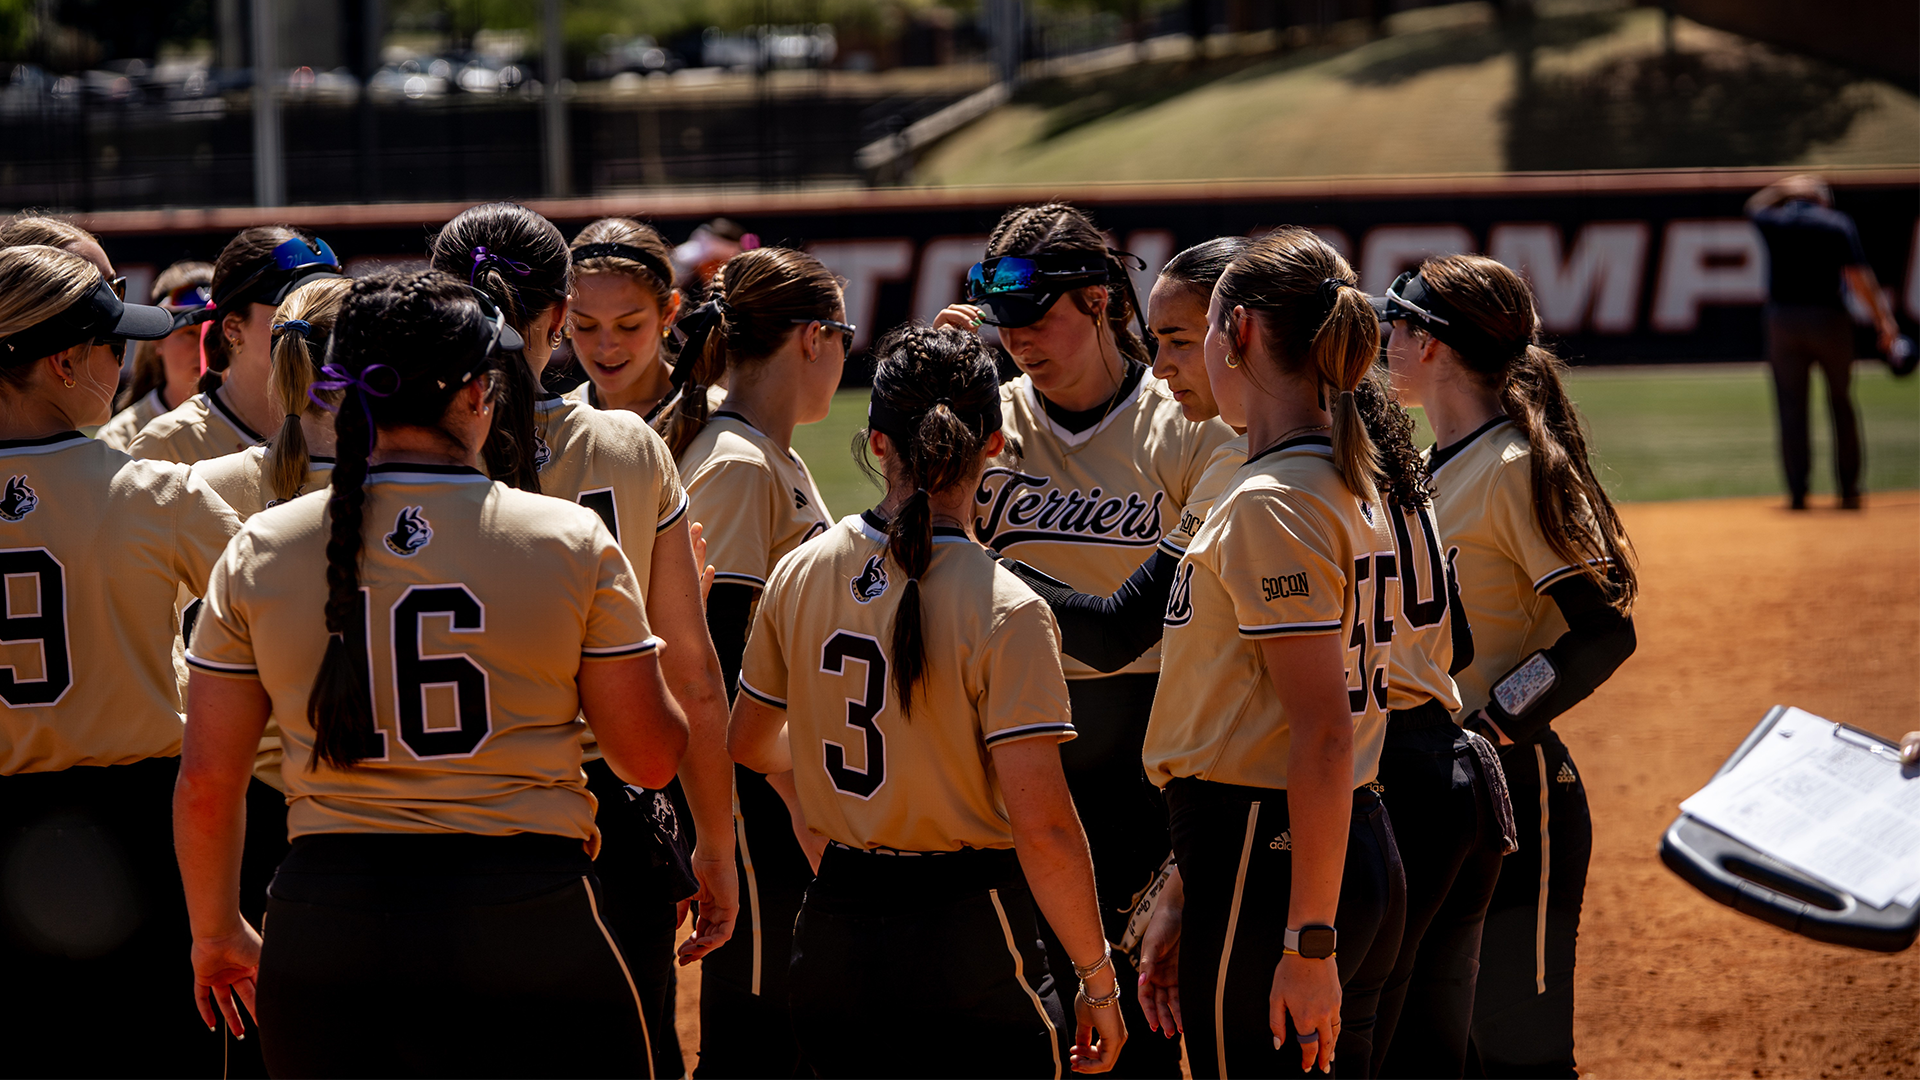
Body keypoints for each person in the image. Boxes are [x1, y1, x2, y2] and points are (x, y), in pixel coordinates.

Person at [176, 268, 691, 1076]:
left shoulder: (261, 546)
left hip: (326, 925)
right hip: (523, 920)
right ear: (482, 393)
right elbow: (650, 758)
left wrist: (215, 931)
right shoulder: (569, 539)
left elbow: (209, 779)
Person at [729, 324, 1128, 1078]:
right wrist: (1098, 979)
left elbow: (749, 743)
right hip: (969, 938)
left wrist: (826, 812)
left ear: (877, 442)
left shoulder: (802, 571)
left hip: (836, 931)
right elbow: (1042, 827)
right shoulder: (1006, 606)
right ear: (995, 443)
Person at [429, 202, 736, 1080]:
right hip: (600, 812)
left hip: (431, 817)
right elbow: (692, 670)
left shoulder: (382, 456)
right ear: (558, 318)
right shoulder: (624, 442)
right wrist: (714, 840)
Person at [934, 205, 1235, 1079]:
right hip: (1010, 755)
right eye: (1001, 318)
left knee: (1142, 1037)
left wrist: (970, 565)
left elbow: (1119, 633)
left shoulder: (1186, 424)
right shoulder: (982, 423)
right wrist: (937, 404)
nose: (1016, 336)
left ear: (1100, 300)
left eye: (1038, 314)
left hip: (1147, 763)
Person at [1140, 227, 1403, 1079]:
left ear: (1241, 333)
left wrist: (1307, 940)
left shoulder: (1273, 501)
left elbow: (1322, 733)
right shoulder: (1345, 475)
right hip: (1308, 850)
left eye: (1204, 329)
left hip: (1276, 860)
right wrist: (1191, 886)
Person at [1381, 255, 1638, 1079]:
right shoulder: (1425, 467)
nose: (1385, 338)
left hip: (1519, 795)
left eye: (1397, 323)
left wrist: (1493, 725)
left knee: (1519, 1053)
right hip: (1439, 794)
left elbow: (1602, 634)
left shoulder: (1513, 469)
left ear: (1430, 344)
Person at [0, 244, 242, 1075]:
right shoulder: (153, 491)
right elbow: (290, 628)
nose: (124, 360)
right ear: (66, 361)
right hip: (135, 828)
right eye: (113, 346)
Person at [661, 244, 845, 1078]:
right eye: (842, 332)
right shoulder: (736, 464)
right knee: (759, 1038)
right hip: (760, 797)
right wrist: (798, 793)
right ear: (812, 338)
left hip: (779, 786)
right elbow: (723, 659)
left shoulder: (765, 453)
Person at [1746, 174, 1902, 511]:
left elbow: (1753, 206)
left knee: (1791, 406)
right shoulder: (1835, 223)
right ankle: (1849, 489)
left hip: (1783, 322)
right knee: (1841, 402)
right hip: (1829, 319)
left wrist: (1785, 187)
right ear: (1823, 201)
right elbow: (1858, 276)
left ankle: (1799, 492)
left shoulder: (1775, 221)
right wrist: (1883, 320)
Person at [130, 227, 344, 465]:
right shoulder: (166, 447)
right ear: (234, 329)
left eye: (330, 309)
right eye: (291, 309)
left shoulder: (355, 427)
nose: (321, 326)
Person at [568, 218, 686, 421]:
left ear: (668, 312)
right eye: (586, 326)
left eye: (628, 326)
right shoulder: (548, 425)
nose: (606, 347)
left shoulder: (716, 422)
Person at [98, 261, 213, 452]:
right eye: (190, 333)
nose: (204, 346)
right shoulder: (120, 441)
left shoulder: (256, 419)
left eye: (211, 332)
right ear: (158, 340)